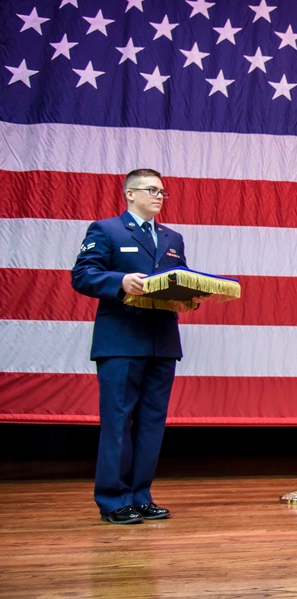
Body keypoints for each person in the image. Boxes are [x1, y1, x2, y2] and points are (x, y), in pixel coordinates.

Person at [71, 169, 204, 524]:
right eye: (151, 190)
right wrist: (120, 281)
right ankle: (114, 499)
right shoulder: (107, 230)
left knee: (151, 422)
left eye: (163, 192)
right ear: (130, 194)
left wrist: (191, 296)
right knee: (118, 420)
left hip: (162, 342)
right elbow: (83, 274)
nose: (160, 196)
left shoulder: (172, 237)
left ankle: (141, 495)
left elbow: (180, 276)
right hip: (121, 340)